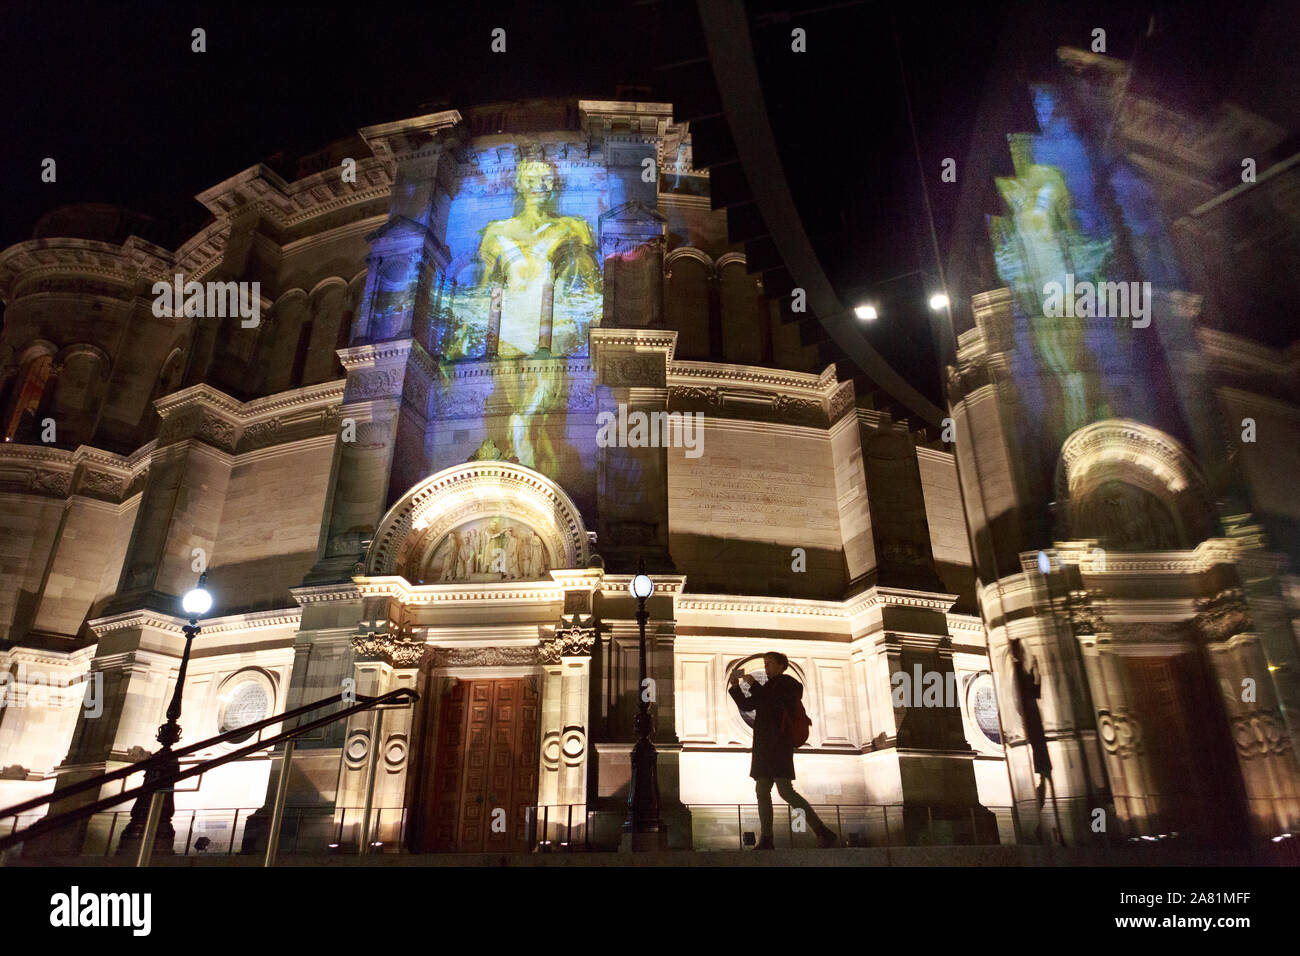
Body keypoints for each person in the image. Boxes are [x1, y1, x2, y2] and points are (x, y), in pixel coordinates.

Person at [729, 652, 838, 849]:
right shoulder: (768, 687)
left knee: (785, 790)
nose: (766, 668)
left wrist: (753, 684)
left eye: (769, 664)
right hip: (764, 746)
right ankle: (767, 837)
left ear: (781, 666)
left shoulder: (788, 684)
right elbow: (748, 704)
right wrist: (736, 687)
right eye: (765, 664)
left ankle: (821, 831)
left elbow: (771, 702)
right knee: (762, 790)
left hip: (779, 744)